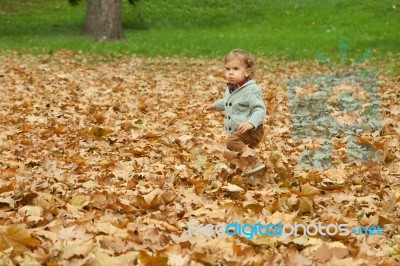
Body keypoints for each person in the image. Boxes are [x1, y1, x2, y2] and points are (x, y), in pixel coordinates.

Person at [201, 49, 266, 176]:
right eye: (228, 69)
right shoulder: (232, 88)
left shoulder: (252, 90)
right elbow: (227, 102)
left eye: (236, 69)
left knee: (231, 142)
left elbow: (259, 110)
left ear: (247, 72)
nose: (230, 72)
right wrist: (213, 106)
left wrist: (251, 122)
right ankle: (245, 170)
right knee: (231, 151)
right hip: (239, 130)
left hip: (252, 130)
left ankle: (255, 162)